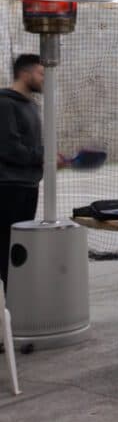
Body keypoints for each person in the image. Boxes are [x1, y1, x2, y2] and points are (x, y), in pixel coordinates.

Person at [0, 54, 68, 288]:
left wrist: (49, 158)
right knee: (6, 248)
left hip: (27, 186)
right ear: (25, 73)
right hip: (8, 188)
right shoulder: (5, 103)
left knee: (16, 250)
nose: (44, 79)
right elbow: (10, 148)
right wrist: (44, 157)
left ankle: (13, 302)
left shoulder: (31, 105)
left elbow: (29, 148)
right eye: (41, 73)